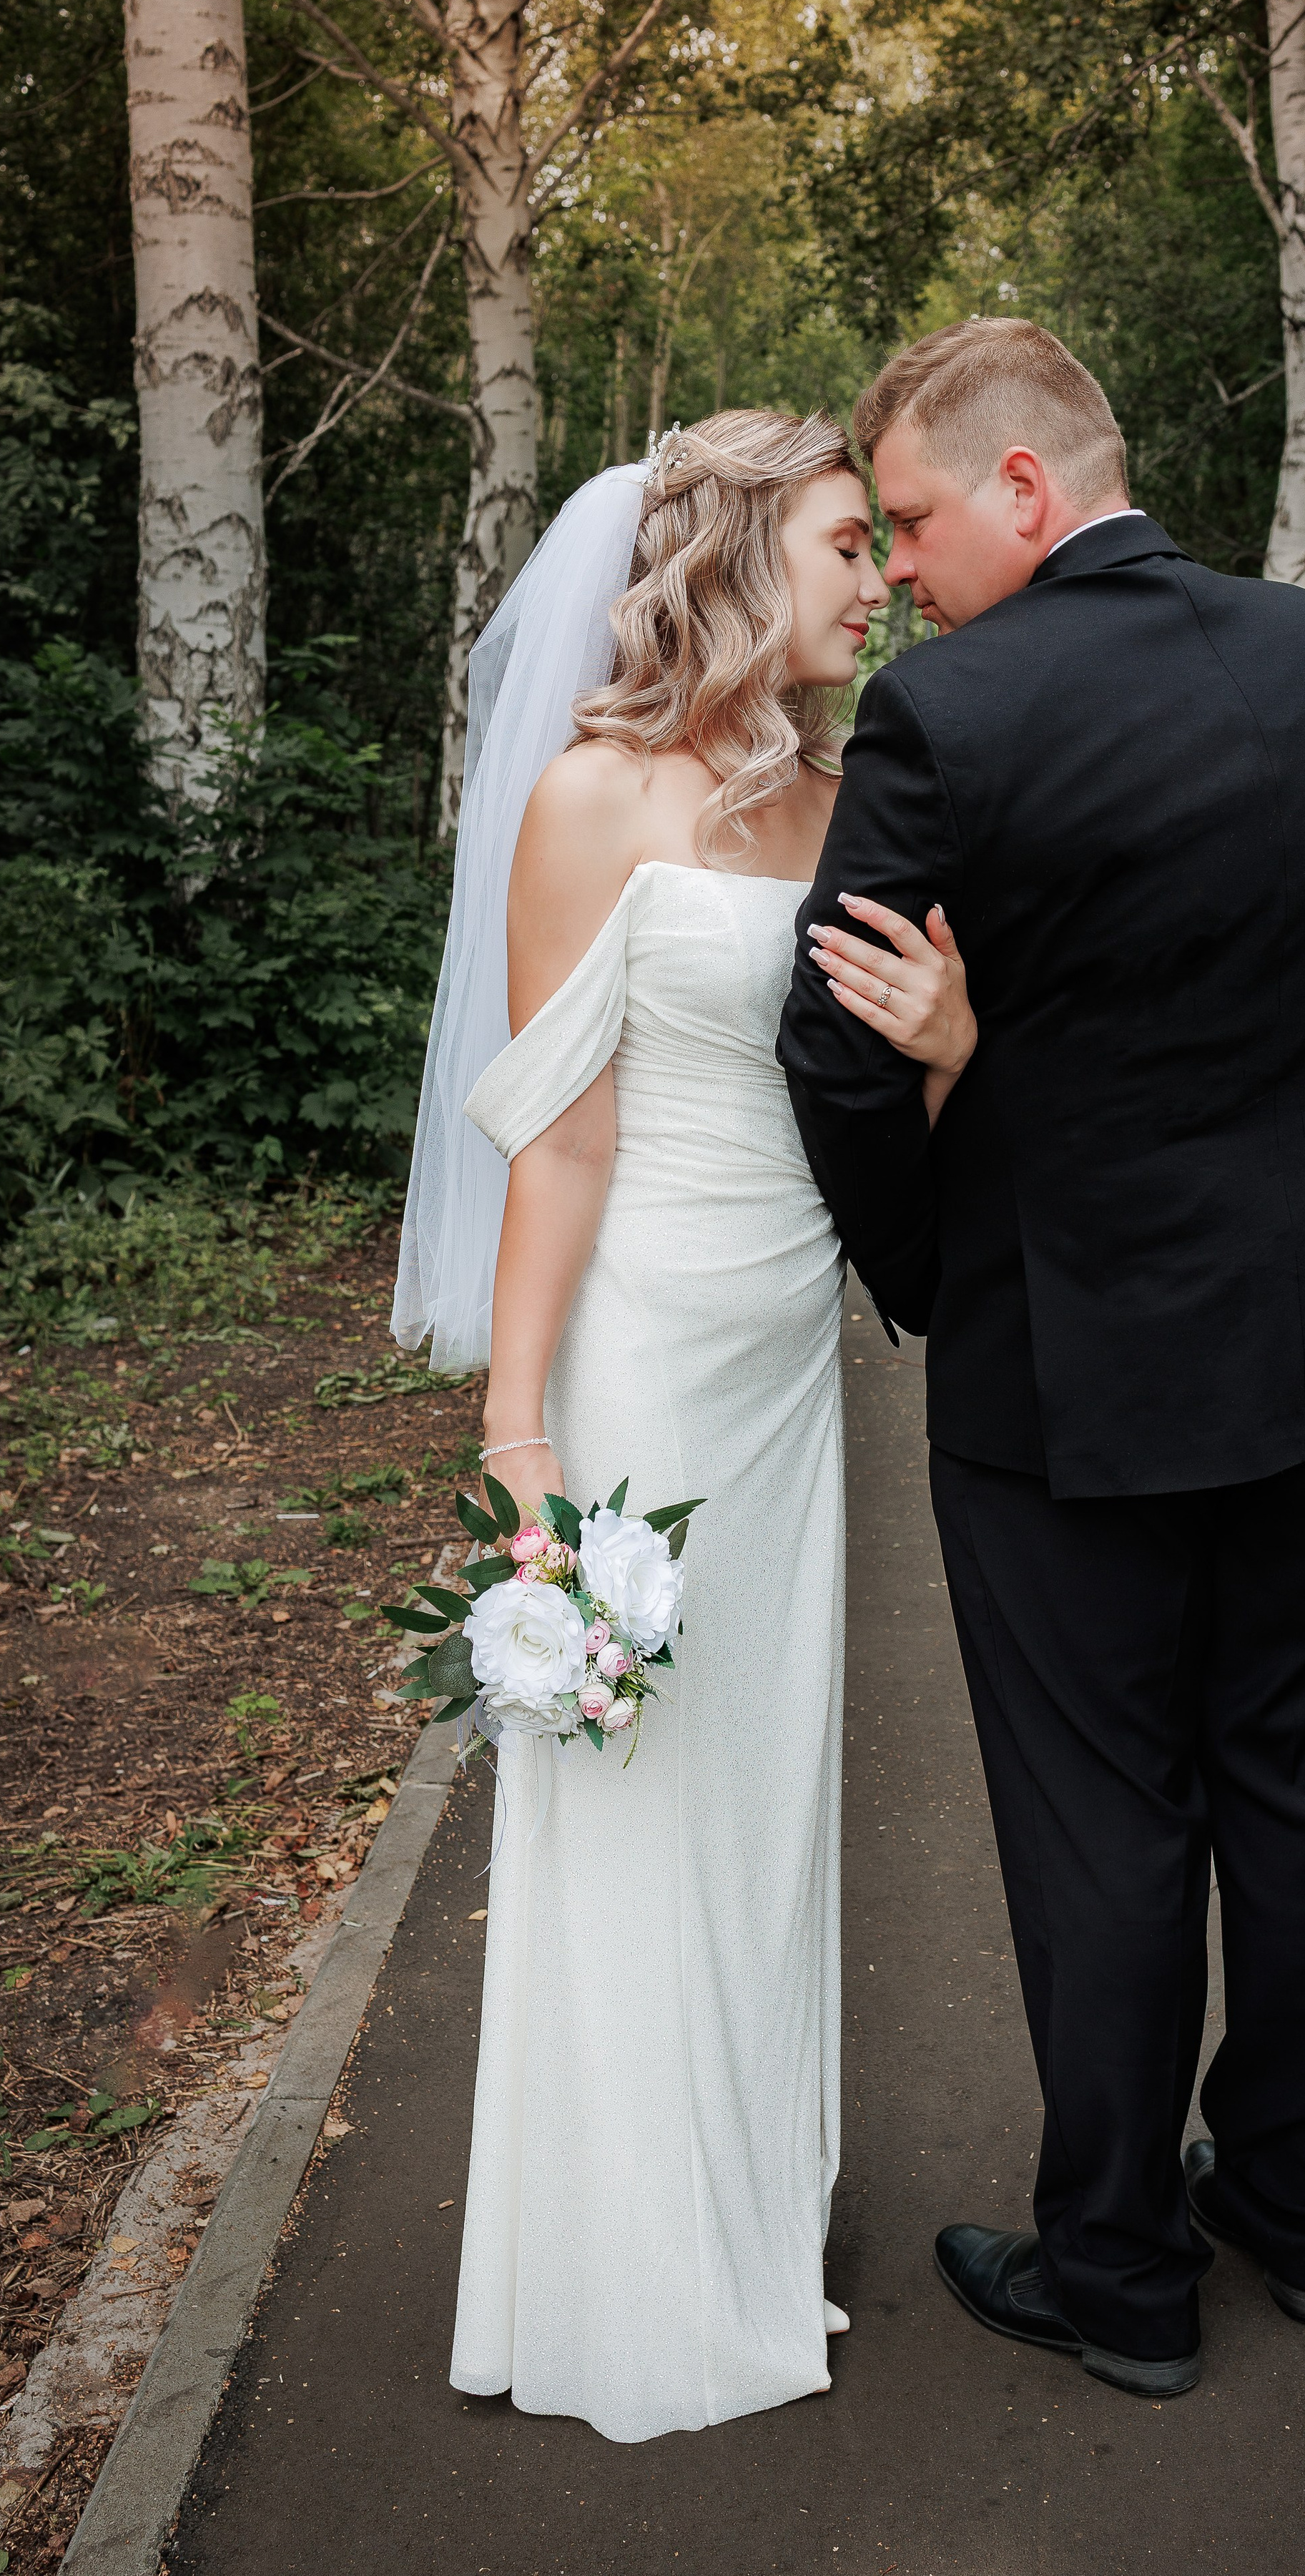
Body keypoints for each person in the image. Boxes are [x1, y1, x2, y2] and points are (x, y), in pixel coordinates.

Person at [779, 318, 1305, 2401]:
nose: (893, 571)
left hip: (1066, 1370)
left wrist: (937, 1274)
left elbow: (837, 1044)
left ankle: (1124, 2273)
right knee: (1293, 1784)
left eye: (909, 522)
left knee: (1108, 1823)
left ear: (1026, 492)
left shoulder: (949, 714)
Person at [391, 411, 976, 2443]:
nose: (877, 575)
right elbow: (559, 1145)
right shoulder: (592, 799)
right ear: (736, 557)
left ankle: (749, 2208)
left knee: (766, 1792)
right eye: (844, 540)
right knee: (636, 1800)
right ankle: (630, 2270)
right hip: (642, 1357)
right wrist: (525, 1444)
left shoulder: (841, 798)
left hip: (793, 1364)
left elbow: (869, 1099)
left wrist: (953, 1050)